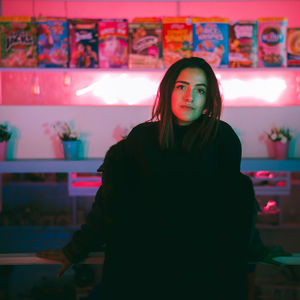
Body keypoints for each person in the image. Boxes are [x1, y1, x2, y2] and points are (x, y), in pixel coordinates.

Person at [37, 57, 288, 300]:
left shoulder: (222, 138)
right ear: (168, 90)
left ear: (208, 100)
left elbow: (236, 207)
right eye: (182, 87)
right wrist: (76, 250)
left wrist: (258, 250)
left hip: (203, 275)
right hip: (143, 273)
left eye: (200, 90)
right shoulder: (141, 139)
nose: (190, 97)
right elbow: (111, 204)